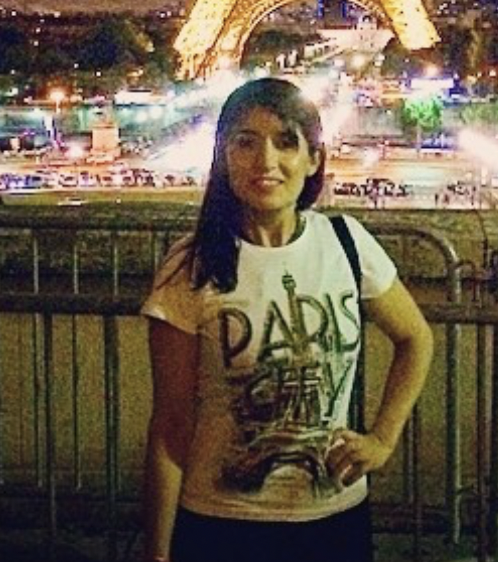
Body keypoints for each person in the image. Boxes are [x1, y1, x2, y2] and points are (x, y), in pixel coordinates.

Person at [140, 77, 433, 562]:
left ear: (314, 159)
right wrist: (157, 551)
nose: (266, 161)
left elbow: (415, 337)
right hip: (223, 526)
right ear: (223, 157)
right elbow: (171, 425)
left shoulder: (346, 242)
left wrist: (383, 438)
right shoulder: (190, 267)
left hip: (335, 519)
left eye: (285, 142)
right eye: (246, 142)